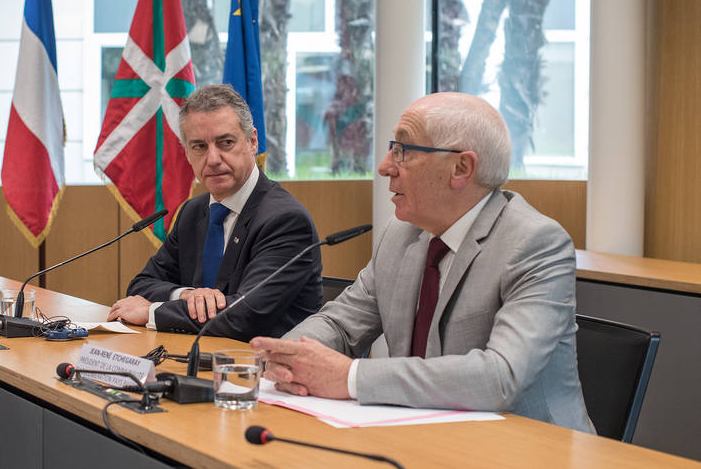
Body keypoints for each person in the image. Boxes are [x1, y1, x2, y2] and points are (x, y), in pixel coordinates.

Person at [252, 92, 594, 433]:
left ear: (461, 168)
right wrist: (289, 360)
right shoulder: (401, 234)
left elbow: (500, 377)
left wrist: (349, 377)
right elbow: (340, 325)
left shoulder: (536, 244)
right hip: (423, 434)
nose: (385, 166)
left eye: (403, 151)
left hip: (527, 449)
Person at [108, 85, 322, 341]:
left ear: (252, 142)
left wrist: (153, 312)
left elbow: (244, 315)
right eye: (199, 146)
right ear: (186, 153)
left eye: (226, 143)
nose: (213, 159)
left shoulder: (285, 221)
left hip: (265, 371)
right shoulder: (192, 212)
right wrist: (187, 295)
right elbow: (141, 285)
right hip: (197, 358)